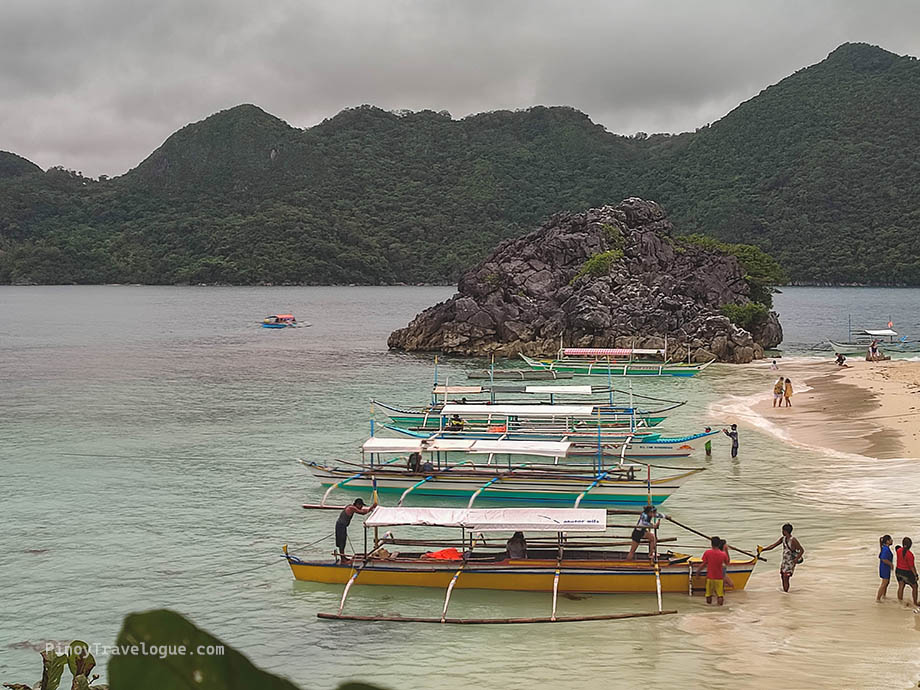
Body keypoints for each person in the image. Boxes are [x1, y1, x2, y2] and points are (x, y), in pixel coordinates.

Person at [760, 523, 804, 592]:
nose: (782, 532)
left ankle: (786, 593)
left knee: (786, 577)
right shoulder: (783, 539)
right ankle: (785, 593)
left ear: (785, 531)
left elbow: (801, 550)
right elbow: (773, 546)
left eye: (782, 531)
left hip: (790, 562)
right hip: (784, 561)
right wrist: (763, 549)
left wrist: (796, 559)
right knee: (783, 577)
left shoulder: (793, 540)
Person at [335, 498, 374, 563]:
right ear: (357, 504)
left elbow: (363, 510)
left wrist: (370, 509)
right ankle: (343, 559)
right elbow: (362, 512)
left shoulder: (352, 507)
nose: (361, 507)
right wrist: (372, 507)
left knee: (343, 541)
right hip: (341, 526)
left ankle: (343, 557)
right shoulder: (351, 508)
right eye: (361, 505)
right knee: (342, 542)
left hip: (342, 526)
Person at [696, 536, 731, 605]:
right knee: (720, 595)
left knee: (708, 594)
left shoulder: (707, 553)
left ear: (711, 544)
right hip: (719, 578)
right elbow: (727, 563)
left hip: (710, 577)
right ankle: (720, 608)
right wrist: (726, 551)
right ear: (719, 544)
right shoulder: (723, 554)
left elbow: (704, 564)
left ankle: (709, 607)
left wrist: (698, 572)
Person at [895, 537, 919, 608]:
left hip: (898, 571)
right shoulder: (910, 555)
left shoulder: (898, 550)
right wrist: (916, 575)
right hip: (907, 573)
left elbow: (897, 548)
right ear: (910, 545)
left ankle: (900, 601)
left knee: (901, 586)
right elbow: (912, 567)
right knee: (915, 586)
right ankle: (915, 602)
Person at [877, 534, 894, 602]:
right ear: (887, 541)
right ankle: (878, 598)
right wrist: (891, 564)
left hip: (885, 567)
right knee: (884, 583)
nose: (892, 541)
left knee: (887, 582)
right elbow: (884, 559)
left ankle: (884, 596)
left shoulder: (884, 547)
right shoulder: (885, 549)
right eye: (890, 540)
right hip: (885, 568)